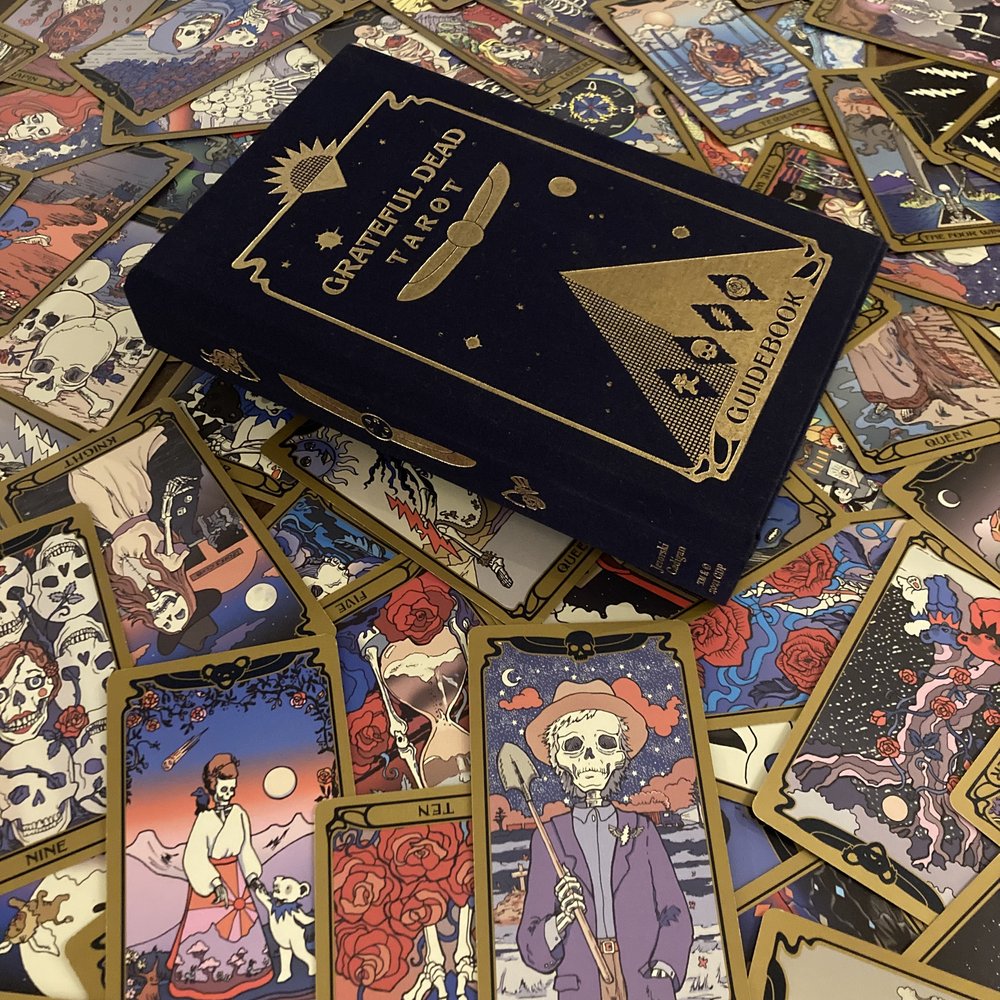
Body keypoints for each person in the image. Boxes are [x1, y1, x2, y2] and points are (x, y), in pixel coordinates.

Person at [516, 680, 693, 1000]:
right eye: (573, 745)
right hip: (581, 984)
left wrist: (665, 966)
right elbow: (531, 945)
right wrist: (562, 919)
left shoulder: (642, 830)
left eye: (605, 743)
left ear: (621, 755)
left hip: (645, 980)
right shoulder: (548, 838)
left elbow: (674, 909)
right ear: (557, 759)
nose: (589, 756)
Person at [166, 752, 273, 998]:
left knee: (242, 925)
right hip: (212, 881)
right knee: (208, 933)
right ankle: (205, 980)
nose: (229, 794)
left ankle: (248, 972)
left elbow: (245, 848)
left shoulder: (239, 814)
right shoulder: (204, 820)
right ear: (213, 787)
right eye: (224, 789)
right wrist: (215, 883)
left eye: (232, 789)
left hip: (236, 878)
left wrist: (253, 876)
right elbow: (193, 855)